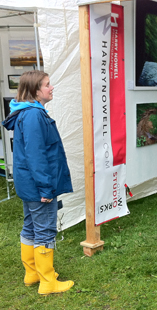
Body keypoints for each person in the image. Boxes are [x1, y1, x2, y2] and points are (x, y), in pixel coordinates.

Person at [2, 70, 74, 295]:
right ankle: (47, 282)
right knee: (44, 230)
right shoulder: (33, 115)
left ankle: (32, 273)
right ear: (34, 91)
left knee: (31, 226)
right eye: (47, 85)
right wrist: (46, 188)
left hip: (29, 185)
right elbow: (36, 155)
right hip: (38, 186)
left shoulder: (28, 112)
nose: (51, 88)